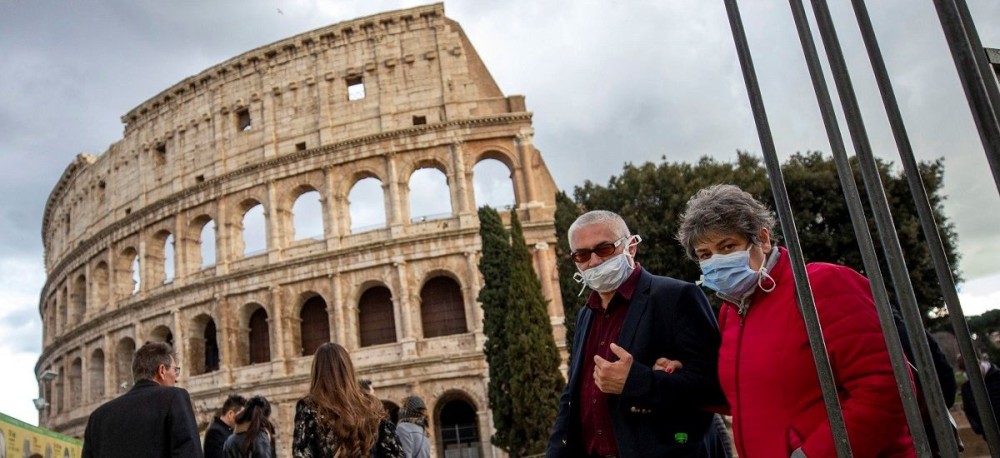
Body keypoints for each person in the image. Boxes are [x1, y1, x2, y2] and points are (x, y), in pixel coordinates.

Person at [673, 184, 914, 457]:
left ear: (763, 239)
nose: (716, 261)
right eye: (705, 255)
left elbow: (887, 390)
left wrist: (812, 454)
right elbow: (749, 394)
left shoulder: (820, 285)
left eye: (727, 246)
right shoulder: (731, 311)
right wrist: (679, 374)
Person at [546, 210, 727, 458]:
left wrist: (637, 382)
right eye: (582, 254)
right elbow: (573, 397)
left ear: (631, 247)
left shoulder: (675, 297)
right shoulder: (586, 315)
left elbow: (715, 387)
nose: (595, 261)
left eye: (605, 249)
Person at [81, 341, 202, 458]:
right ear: (162, 371)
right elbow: (189, 452)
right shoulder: (174, 398)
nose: (176, 379)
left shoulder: (97, 417)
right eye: (175, 370)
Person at [292, 342, 403, 458]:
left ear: (317, 371)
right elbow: (396, 453)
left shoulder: (310, 407)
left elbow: (301, 453)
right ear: (348, 368)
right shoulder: (372, 405)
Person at [960, 353, 1000, 438]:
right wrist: (979, 428)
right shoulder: (967, 388)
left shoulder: (997, 376)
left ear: (979, 362)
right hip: (992, 435)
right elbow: (969, 410)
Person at [205, 394, 248, 458]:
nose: (243, 419)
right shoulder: (216, 432)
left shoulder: (227, 430)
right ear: (230, 414)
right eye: (242, 415)